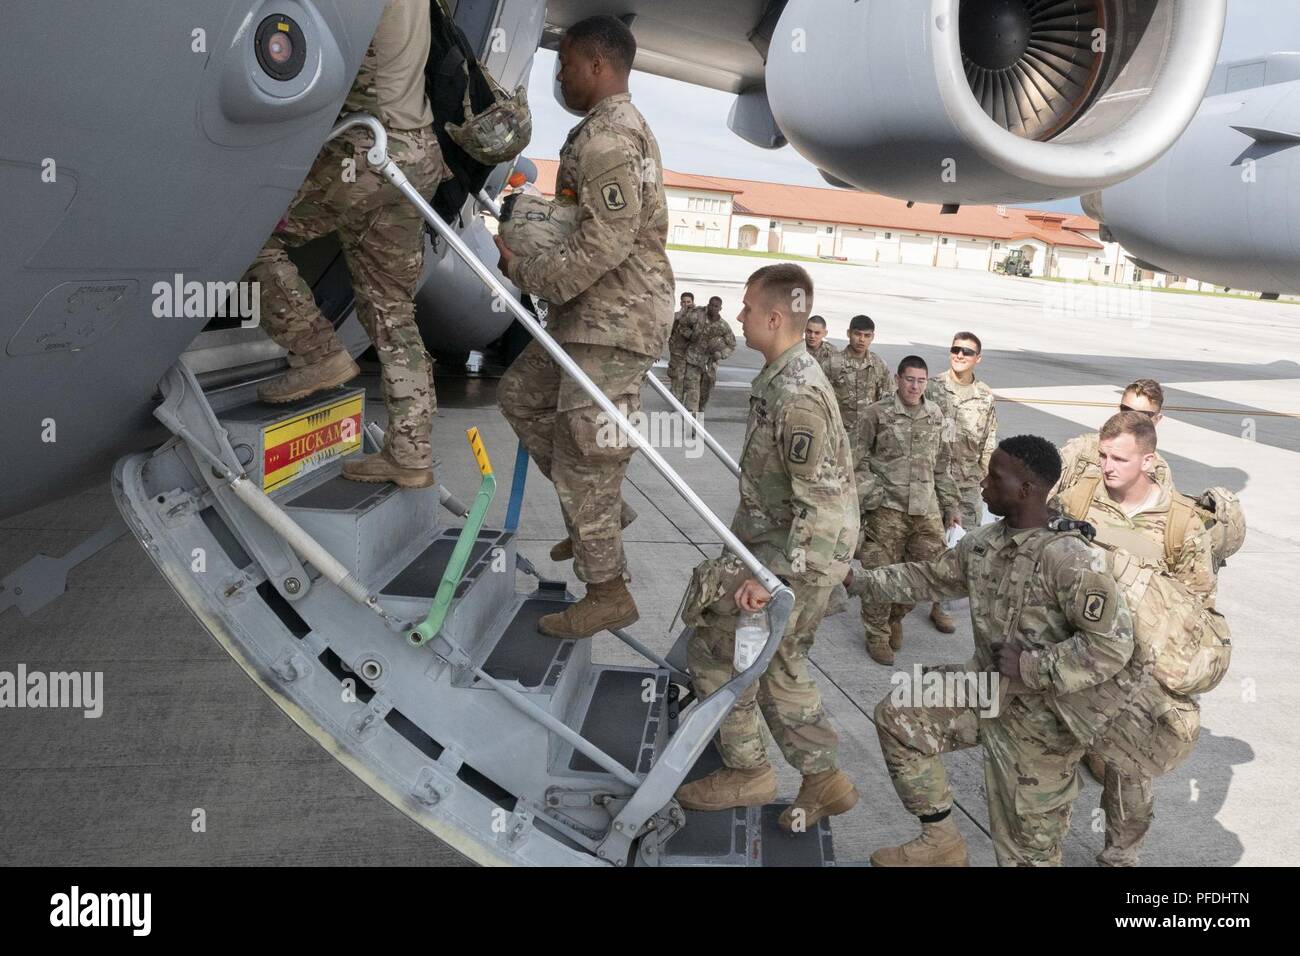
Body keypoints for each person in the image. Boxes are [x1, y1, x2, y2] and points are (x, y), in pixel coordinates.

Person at [849, 435, 1135, 866]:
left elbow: (1112, 645)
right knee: (898, 716)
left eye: (994, 477)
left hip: (1044, 721)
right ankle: (941, 841)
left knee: (1026, 852)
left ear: (1026, 489)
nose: (983, 484)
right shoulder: (985, 543)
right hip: (983, 688)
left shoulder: (1071, 559)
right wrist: (858, 581)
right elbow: (928, 577)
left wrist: (1032, 666)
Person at [494, 15, 673, 638]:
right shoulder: (598, 132)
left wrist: (528, 269)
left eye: (566, 63)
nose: (560, 75)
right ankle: (598, 516)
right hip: (589, 319)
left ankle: (607, 591)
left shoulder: (609, 140)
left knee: (586, 458)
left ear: (597, 66)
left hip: (614, 322)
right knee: (520, 395)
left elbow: (606, 245)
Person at [674, 264, 860, 832]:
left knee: (716, 647)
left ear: (775, 318)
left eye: (748, 307)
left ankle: (750, 770)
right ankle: (823, 778)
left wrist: (772, 577)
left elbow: (824, 508)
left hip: (795, 558)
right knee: (780, 665)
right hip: (784, 551)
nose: (738, 315)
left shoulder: (798, 395)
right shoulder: (782, 378)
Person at [246, 0, 449, 488]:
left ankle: (316, 352)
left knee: (249, 238)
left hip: (367, 150)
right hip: (416, 149)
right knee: (392, 308)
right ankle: (410, 453)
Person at [1053, 411, 1216, 867]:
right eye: (1103, 455)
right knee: (1052, 761)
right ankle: (1043, 851)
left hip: (1137, 672)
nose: (1106, 466)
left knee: (1130, 775)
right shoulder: (1079, 499)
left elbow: (1195, 609)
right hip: (1076, 655)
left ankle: (1120, 857)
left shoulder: (1181, 524)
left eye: (1119, 458)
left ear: (1148, 461)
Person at [854, 356, 961, 663]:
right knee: (879, 572)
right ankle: (877, 634)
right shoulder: (877, 413)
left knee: (930, 573)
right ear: (897, 379)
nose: (915, 386)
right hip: (887, 509)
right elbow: (854, 459)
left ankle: (895, 617)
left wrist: (950, 504)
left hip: (925, 509)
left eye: (920, 380)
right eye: (909, 379)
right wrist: (870, 492)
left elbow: (942, 464)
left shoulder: (935, 414)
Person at [924, 331, 997, 633]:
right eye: (956, 349)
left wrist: (984, 477)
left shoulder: (985, 396)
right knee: (925, 541)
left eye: (967, 352)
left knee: (960, 547)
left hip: (966, 485)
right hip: (930, 481)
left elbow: (989, 441)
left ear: (977, 358)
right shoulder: (932, 388)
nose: (960, 355)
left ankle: (940, 605)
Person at [1052, 379, 1173, 497]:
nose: (1132, 419)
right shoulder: (1082, 450)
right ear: (1119, 409)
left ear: (1157, 419)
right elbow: (1044, 497)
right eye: (1126, 410)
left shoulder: (1159, 470)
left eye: (1142, 415)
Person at [823, 314, 894, 459]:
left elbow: (887, 403)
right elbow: (821, 400)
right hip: (838, 438)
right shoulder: (832, 364)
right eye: (857, 334)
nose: (862, 339)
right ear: (849, 333)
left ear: (872, 337)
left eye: (867, 335)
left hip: (869, 441)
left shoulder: (878, 365)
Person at [679, 296, 736, 414]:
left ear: (720, 308)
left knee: (704, 396)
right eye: (711, 305)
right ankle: (691, 424)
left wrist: (721, 354)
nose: (713, 308)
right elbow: (682, 326)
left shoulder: (723, 326)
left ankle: (698, 418)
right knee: (692, 393)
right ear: (708, 305)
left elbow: (731, 345)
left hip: (709, 365)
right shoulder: (697, 316)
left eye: (716, 306)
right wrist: (690, 335)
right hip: (693, 361)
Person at [667, 291, 696, 398]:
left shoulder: (697, 316)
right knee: (677, 377)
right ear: (680, 303)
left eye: (688, 302)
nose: (686, 304)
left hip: (691, 354)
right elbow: (669, 331)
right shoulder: (676, 316)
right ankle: (676, 401)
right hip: (677, 353)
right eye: (684, 302)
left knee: (689, 380)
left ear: (693, 302)